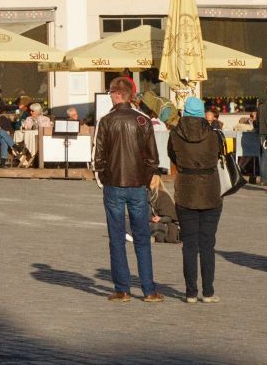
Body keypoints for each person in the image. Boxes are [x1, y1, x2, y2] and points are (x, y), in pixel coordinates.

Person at [93, 76, 162, 303]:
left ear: (116, 94)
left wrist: (103, 179)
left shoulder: (106, 120)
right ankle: (149, 290)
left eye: (111, 92)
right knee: (142, 238)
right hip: (136, 185)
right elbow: (153, 158)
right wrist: (143, 179)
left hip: (114, 184)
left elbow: (98, 156)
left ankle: (122, 289)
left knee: (117, 238)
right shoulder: (142, 120)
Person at [167, 97, 223, 303]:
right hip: (210, 190)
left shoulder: (175, 134)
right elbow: (219, 155)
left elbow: (172, 156)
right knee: (208, 244)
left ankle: (191, 292)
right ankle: (208, 291)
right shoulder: (214, 134)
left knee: (189, 244)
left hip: (186, 190)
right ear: (202, 113)